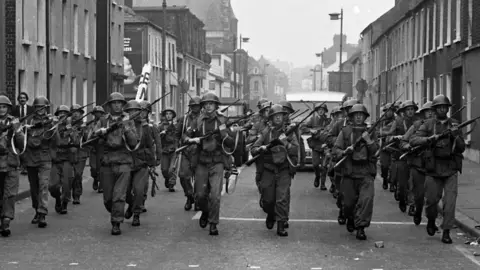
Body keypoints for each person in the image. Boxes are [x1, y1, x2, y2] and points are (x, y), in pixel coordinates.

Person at [410, 95, 465, 244]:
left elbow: (461, 148)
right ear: (434, 109)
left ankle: (446, 231)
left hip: (450, 168)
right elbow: (414, 140)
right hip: (433, 168)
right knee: (432, 201)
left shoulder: (454, 124)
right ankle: (431, 220)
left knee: (450, 203)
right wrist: (429, 139)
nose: (442, 109)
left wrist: (456, 136)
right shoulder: (428, 125)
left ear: (448, 109)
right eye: (439, 107)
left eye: (445, 107)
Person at [184, 92, 235, 235]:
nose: (208, 106)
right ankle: (205, 212)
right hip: (201, 161)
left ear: (216, 106)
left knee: (215, 195)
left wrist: (223, 133)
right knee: (200, 195)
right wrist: (192, 140)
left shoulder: (223, 120)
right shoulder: (198, 121)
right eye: (205, 104)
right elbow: (185, 135)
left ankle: (213, 223)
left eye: (211, 104)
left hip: (217, 161)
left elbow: (231, 143)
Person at [89, 92, 139, 235]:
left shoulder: (129, 120)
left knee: (119, 195)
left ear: (123, 105)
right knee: (108, 198)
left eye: (119, 103)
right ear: (110, 105)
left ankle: (116, 222)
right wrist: (100, 132)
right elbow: (91, 137)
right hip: (107, 162)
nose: (117, 105)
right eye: (114, 103)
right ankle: (116, 212)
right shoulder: (103, 121)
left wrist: (127, 127)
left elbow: (134, 142)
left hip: (123, 162)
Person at [251, 104, 299, 237]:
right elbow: (254, 147)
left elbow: (295, 149)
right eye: (275, 116)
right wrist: (261, 148)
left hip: (283, 169)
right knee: (268, 200)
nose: (278, 118)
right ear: (271, 119)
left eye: (280, 116)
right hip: (269, 169)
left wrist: (286, 143)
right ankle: (271, 214)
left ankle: (281, 224)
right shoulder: (267, 132)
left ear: (284, 117)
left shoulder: (289, 132)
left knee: (282, 198)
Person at [333, 104, 378, 240]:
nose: (358, 117)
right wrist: (344, 151)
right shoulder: (345, 132)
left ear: (364, 117)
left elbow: (376, 151)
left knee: (366, 200)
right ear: (351, 117)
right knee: (347, 203)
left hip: (365, 172)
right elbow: (336, 150)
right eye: (355, 115)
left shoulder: (371, 132)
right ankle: (350, 217)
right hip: (349, 171)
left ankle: (361, 227)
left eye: (361, 115)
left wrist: (369, 141)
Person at [399, 101, 433, 226]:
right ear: (423, 114)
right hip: (418, 164)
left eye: (432, 111)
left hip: (434, 166)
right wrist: (409, 146)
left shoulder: (440, 127)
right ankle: (417, 210)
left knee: (432, 196)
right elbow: (403, 141)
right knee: (418, 194)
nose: (430, 114)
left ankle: (431, 219)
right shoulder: (416, 126)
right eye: (427, 112)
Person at [124, 100, 156, 226]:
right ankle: (131, 204)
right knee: (125, 191)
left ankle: (136, 213)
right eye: (130, 111)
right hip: (126, 162)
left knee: (138, 190)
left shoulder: (145, 127)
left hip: (141, 163)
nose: (133, 113)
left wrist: (152, 163)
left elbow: (150, 145)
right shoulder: (123, 124)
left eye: (136, 111)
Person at [24, 96, 55, 228]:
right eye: (38, 107)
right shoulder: (28, 120)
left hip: (44, 157)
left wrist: (55, 127)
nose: (40, 109)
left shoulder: (51, 121)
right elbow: (22, 141)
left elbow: (55, 141)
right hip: (31, 157)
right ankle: (37, 209)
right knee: (34, 187)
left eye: (43, 107)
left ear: (47, 108)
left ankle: (42, 213)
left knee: (43, 185)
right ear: (34, 108)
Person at [0, 95, 25, 237]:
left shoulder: (14, 122)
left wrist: (17, 131)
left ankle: (6, 220)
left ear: (8, 108)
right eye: (0, 107)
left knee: (10, 194)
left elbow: (21, 145)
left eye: (4, 107)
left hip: (10, 163)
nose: (1, 109)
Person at [175, 97, 202, 211]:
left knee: (199, 178)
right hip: (186, 151)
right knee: (183, 176)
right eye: (193, 106)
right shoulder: (184, 118)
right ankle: (189, 196)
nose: (195, 108)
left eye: (197, 106)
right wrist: (179, 145)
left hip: (200, 152)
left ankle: (197, 199)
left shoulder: (204, 118)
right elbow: (178, 133)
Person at [302, 103, 331, 189]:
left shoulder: (328, 120)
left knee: (324, 166)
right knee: (315, 164)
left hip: (325, 145)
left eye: (322, 109)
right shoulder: (312, 119)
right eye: (319, 109)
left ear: (325, 111)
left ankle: (322, 184)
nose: (321, 111)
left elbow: (331, 129)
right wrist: (311, 130)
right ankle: (317, 176)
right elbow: (303, 127)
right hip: (315, 145)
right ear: (317, 111)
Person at [157, 107, 178, 192]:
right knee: (164, 169)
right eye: (167, 114)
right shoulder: (160, 126)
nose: (168, 115)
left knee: (171, 169)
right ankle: (167, 179)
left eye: (170, 114)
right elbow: (156, 137)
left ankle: (171, 184)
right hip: (164, 150)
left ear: (173, 115)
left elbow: (179, 136)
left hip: (174, 150)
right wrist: (161, 134)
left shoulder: (176, 125)